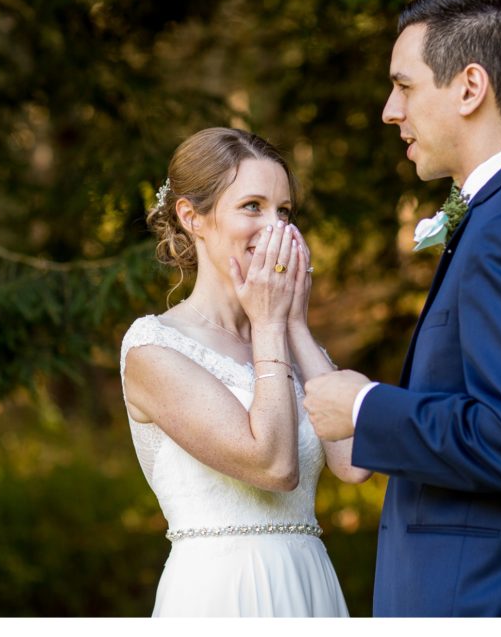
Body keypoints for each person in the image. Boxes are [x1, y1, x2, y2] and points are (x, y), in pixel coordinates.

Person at [303, 0, 501, 616]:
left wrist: (366, 409)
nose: (389, 110)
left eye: (405, 86)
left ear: (470, 87)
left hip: (497, 598)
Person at [120, 127, 370, 617]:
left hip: (309, 584)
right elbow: (273, 466)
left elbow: (356, 462)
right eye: (252, 206)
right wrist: (271, 325)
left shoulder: (284, 335)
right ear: (193, 217)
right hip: (220, 593)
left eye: (284, 211)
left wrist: (294, 324)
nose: (275, 228)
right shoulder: (152, 349)